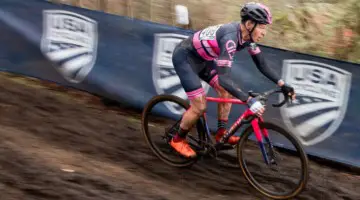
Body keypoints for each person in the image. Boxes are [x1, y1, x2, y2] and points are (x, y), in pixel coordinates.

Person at [170, 2, 296, 158]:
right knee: (200, 105)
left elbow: (262, 64)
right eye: (262, 27)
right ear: (250, 24)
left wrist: (283, 84)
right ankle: (177, 139)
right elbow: (224, 79)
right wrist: (248, 100)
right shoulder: (230, 38)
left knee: (225, 92)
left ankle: (221, 133)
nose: (264, 32)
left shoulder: (248, 38)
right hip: (185, 58)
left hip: (204, 59)